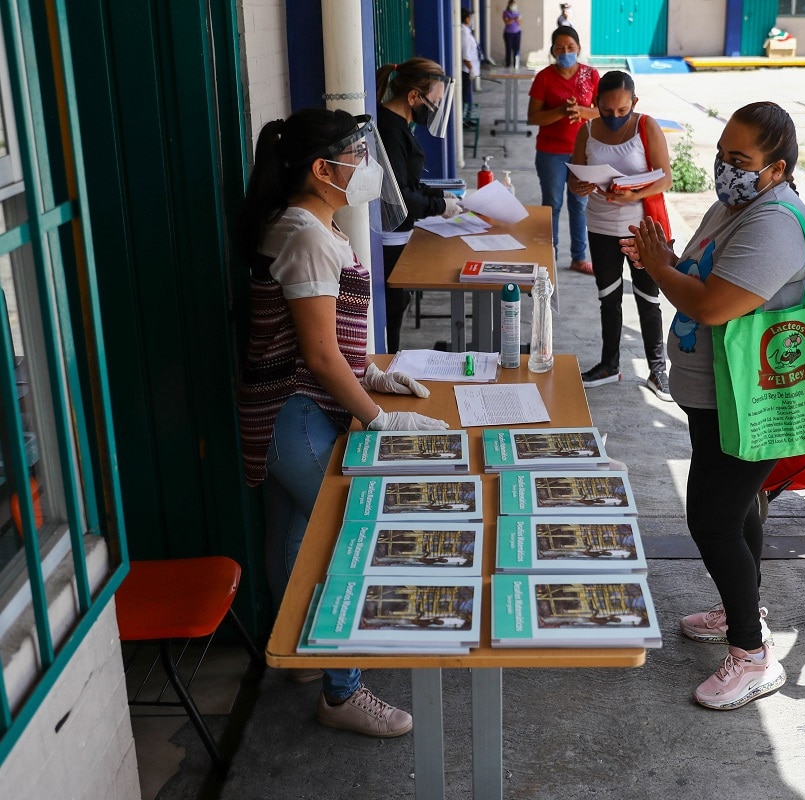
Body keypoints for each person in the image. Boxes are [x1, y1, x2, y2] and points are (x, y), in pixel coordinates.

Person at [235, 108, 449, 738]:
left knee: (296, 533)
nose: (368, 165)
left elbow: (328, 342)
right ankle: (342, 690)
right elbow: (320, 354)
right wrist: (378, 417)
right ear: (322, 168)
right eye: (357, 154)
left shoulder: (305, 222)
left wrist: (371, 374)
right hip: (294, 414)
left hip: (288, 407)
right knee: (347, 538)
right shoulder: (306, 235)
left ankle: (304, 652)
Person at [620, 101, 805, 710]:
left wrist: (660, 267)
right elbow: (699, 277)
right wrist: (661, 264)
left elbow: (710, 305)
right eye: (722, 154)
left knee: (710, 519)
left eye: (741, 160)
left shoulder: (774, 223)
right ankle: (744, 606)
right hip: (720, 395)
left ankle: (753, 655)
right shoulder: (737, 206)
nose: (724, 168)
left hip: (756, 398)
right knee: (736, 510)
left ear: (776, 168)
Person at [567, 70, 673, 398]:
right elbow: (574, 177)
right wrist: (580, 185)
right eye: (607, 111)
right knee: (608, 297)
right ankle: (609, 364)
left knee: (647, 297)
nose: (614, 118)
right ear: (595, 103)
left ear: (634, 103)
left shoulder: (646, 126)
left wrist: (634, 195)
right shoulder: (587, 130)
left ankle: (658, 370)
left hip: (642, 228)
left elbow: (665, 178)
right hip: (600, 225)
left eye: (622, 111)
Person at [375, 59, 461, 353]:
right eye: (433, 102)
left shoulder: (399, 125)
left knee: (400, 302)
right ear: (413, 97)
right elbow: (399, 195)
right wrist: (438, 206)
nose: (434, 108)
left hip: (401, 235)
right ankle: (387, 366)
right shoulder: (389, 129)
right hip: (389, 239)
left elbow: (408, 182)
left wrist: (441, 196)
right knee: (393, 307)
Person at [528, 25, 599, 274]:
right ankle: (550, 255)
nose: (565, 51)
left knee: (579, 204)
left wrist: (581, 111)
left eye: (570, 47)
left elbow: (602, 111)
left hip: (582, 151)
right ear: (552, 50)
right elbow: (533, 117)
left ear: (578, 48)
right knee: (553, 203)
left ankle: (579, 257)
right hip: (550, 152)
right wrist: (559, 111)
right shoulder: (544, 77)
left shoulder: (590, 75)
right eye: (560, 47)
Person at [460, 11, 480, 110]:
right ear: (466, 19)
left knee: (464, 95)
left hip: (467, 69)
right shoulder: (464, 34)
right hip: (466, 70)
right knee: (463, 96)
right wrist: (471, 69)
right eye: (470, 17)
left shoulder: (465, 31)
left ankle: (463, 119)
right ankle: (462, 121)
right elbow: (466, 54)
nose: (471, 20)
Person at [502, 1, 522, 68]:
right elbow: (507, 22)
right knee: (508, 49)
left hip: (517, 33)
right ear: (509, 5)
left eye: (514, 5)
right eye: (512, 5)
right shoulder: (505, 13)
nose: (513, 6)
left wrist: (517, 19)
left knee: (516, 49)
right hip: (508, 34)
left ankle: (516, 64)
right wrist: (514, 19)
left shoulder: (518, 12)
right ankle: (508, 64)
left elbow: (520, 23)